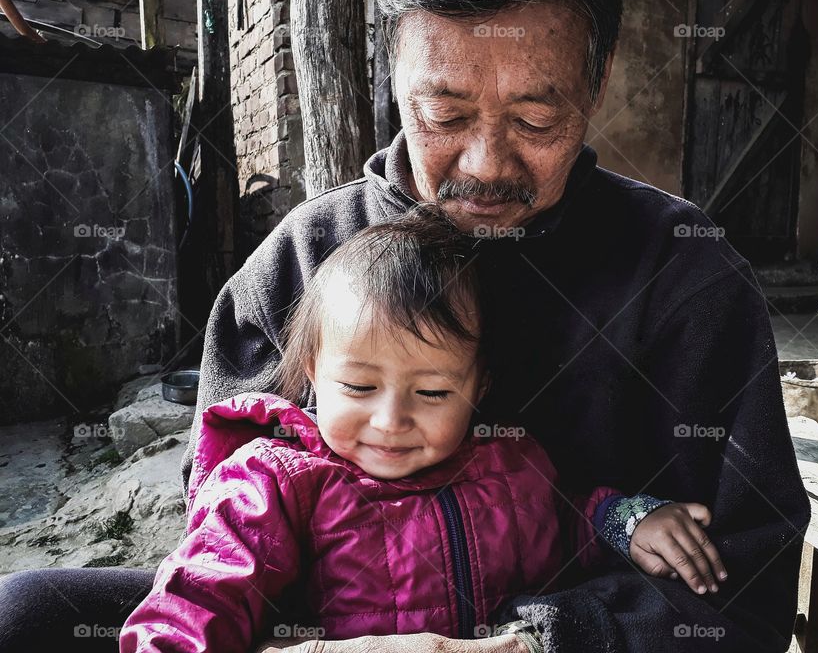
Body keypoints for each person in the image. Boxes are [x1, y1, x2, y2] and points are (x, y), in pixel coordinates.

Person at [0, 0, 809, 651]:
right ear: (394, 80)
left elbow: (745, 593)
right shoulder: (301, 264)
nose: (487, 163)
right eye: (443, 113)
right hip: (320, 627)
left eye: (534, 121)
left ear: (596, 84)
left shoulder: (686, 277)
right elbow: (221, 544)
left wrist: (518, 645)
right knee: (30, 613)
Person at [120, 207, 726, 652]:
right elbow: (198, 596)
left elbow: (566, 525)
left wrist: (628, 522)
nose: (390, 422)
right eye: (358, 387)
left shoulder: (513, 469)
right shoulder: (273, 486)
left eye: (433, 392)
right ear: (311, 374)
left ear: (480, 387)